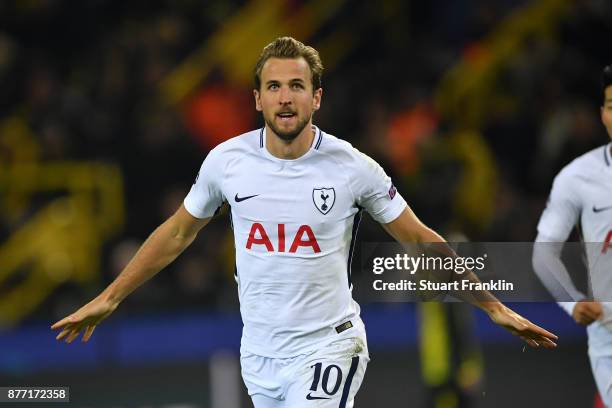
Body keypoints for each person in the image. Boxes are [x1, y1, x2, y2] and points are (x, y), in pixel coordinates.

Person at [52, 37, 557, 408]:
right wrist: (110, 297)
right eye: (273, 87)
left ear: (317, 97)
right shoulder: (226, 162)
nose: (285, 97)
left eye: (297, 86)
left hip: (329, 345)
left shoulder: (352, 167)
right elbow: (178, 231)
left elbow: (421, 241)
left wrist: (493, 308)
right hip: (260, 356)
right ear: (257, 99)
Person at [533, 64, 612, 407]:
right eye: (611, 105)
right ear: (602, 114)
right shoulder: (577, 177)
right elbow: (543, 254)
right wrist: (573, 302)